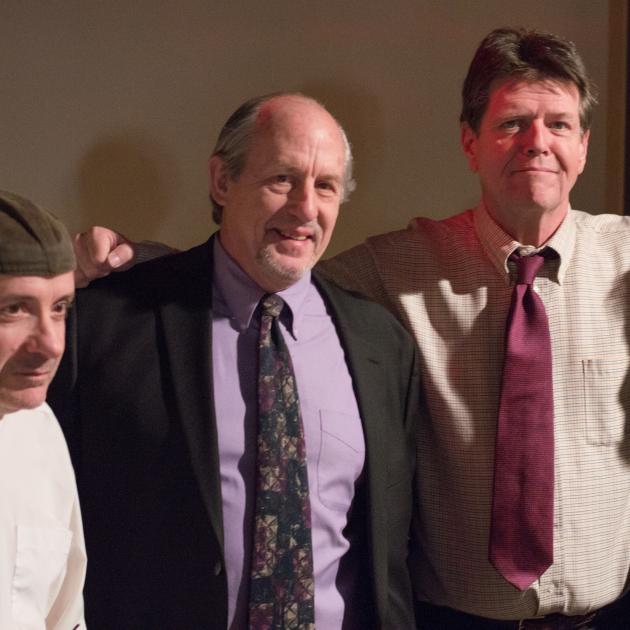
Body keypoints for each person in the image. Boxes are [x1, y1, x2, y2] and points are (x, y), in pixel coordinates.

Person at [79, 27, 630, 629]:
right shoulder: (393, 269)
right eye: (511, 123)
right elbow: (270, 268)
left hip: (605, 615)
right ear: (471, 144)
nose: (537, 143)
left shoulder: (626, 262)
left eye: (559, 125)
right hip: (448, 619)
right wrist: (137, 265)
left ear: (584, 143)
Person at [49, 93, 420, 629]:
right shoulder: (110, 319)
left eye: (326, 186)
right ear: (222, 181)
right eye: (282, 180)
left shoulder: (381, 345)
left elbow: (387, 558)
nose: (305, 208)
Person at [0, 190, 86, 629]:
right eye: (15, 309)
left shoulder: (40, 430)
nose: (51, 343)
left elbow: (64, 612)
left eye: (59, 308)